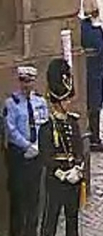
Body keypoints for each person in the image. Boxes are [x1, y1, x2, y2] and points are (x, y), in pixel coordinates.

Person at [39, 59, 85, 236]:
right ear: (57, 101)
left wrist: (78, 169)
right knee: (51, 218)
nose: (68, 103)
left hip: (73, 176)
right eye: (65, 99)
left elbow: (79, 148)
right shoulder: (47, 126)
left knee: (72, 220)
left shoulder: (72, 122)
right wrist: (62, 173)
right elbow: (46, 155)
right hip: (57, 179)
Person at [5, 66, 49, 236]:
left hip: (36, 155)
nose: (26, 85)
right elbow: (11, 129)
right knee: (18, 198)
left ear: (34, 81)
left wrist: (38, 146)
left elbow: (44, 125)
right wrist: (26, 146)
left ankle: (32, 231)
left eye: (29, 81)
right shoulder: (12, 103)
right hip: (19, 156)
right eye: (23, 81)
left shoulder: (40, 102)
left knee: (34, 197)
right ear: (19, 81)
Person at [80, 0, 103, 153]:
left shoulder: (85, 27)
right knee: (94, 105)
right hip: (94, 72)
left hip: (94, 70)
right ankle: (94, 137)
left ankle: (93, 135)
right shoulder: (92, 28)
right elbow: (99, 48)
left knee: (93, 105)